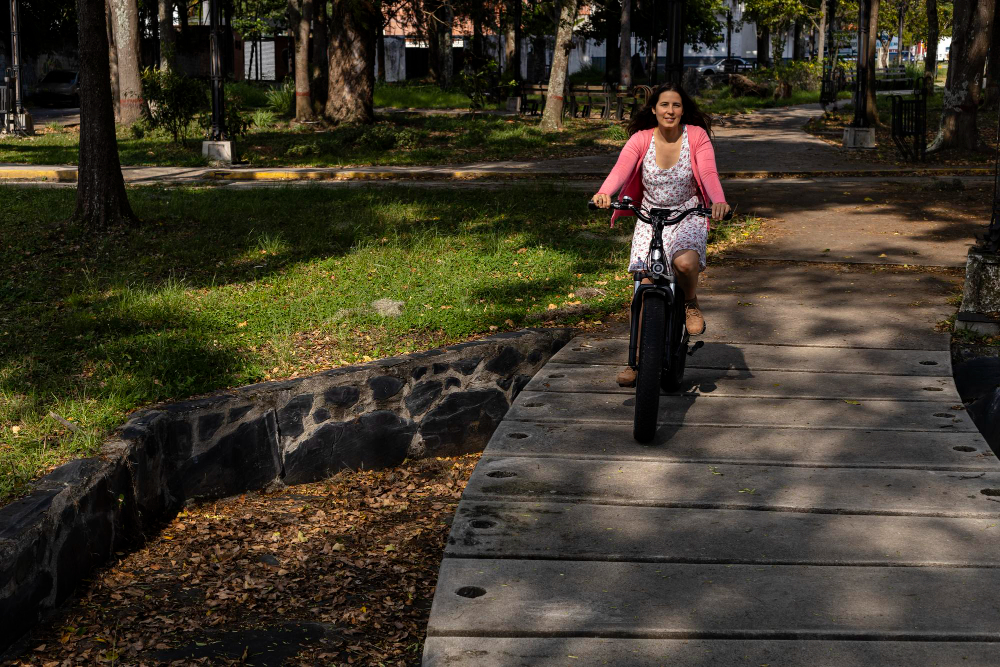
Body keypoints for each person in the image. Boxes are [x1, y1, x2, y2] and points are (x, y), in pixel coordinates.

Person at [591, 81, 730, 387]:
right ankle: (636, 361)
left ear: (684, 110)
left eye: (676, 105)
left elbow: (708, 173)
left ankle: (690, 302)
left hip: (687, 212)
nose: (670, 110)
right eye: (664, 105)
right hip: (650, 216)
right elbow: (621, 169)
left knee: (684, 264)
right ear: (653, 109)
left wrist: (718, 200)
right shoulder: (641, 139)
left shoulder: (696, 136)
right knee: (643, 286)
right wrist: (604, 193)